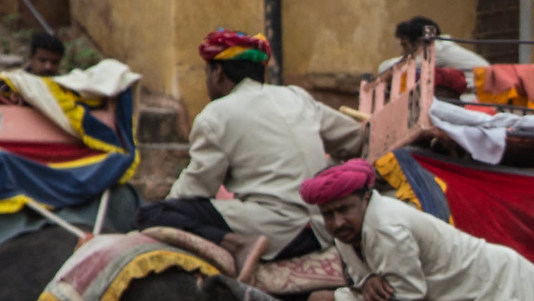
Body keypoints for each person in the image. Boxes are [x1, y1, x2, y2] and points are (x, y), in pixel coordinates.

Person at [298, 160, 534, 301]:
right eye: (328, 214)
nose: (338, 221)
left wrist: (338, 300)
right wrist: (366, 285)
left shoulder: (385, 226)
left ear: (366, 198)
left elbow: (406, 294)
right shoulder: (346, 233)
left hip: (511, 298)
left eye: (344, 209)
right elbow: (367, 284)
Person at [135, 31, 366, 265]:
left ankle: (236, 244)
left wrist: (168, 208)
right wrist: (330, 171)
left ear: (218, 73)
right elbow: (355, 137)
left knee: (153, 214)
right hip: (321, 230)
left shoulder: (216, 114)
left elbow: (196, 189)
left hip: (276, 232)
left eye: (207, 71)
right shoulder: (296, 96)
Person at [376, 15, 491, 75]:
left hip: (480, 96)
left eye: (405, 46)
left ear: (419, 42)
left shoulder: (436, 49)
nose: (403, 52)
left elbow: (386, 68)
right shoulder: (443, 48)